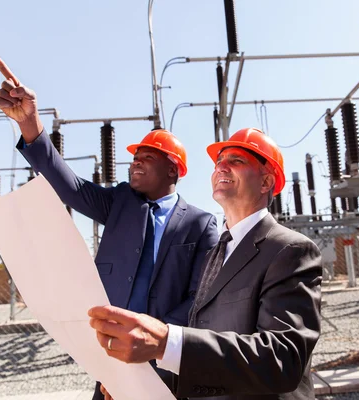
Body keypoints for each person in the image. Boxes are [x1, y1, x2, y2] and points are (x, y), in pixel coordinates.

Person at [0, 50, 219, 399]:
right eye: (134, 160)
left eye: (146, 159)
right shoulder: (119, 203)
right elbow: (69, 185)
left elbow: (201, 297)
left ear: (173, 170)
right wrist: (29, 124)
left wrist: (156, 340)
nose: (135, 165)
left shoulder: (201, 225)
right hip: (109, 355)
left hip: (165, 358)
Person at [89, 127, 323, 400]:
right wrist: (141, 384)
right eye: (218, 162)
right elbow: (204, 345)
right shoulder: (216, 254)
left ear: (266, 182)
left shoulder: (289, 250)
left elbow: (283, 358)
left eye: (236, 160)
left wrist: (166, 342)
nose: (221, 167)